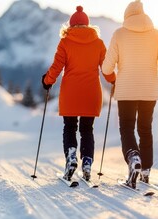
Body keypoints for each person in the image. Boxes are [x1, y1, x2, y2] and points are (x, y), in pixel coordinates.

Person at [102, 0, 158, 188]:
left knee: (126, 128)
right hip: (149, 90)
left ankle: (134, 158)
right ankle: (146, 170)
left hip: (126, 90)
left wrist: (112, 77)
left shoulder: (119, 34)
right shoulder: (156, 35)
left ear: (127, 16)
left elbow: (107, 67)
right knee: (145, 129)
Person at [42, 6, 116, 181]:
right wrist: (113, 79)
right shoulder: (98, 43)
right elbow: (106, 69)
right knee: (87, 130)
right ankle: (88, 162)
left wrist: (47, 81)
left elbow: (56, 68)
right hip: (92, 93)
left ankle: (71, 156)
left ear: (71, 25)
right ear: (88, 25)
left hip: (71, 94)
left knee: (69, 128)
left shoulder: (65, 42)